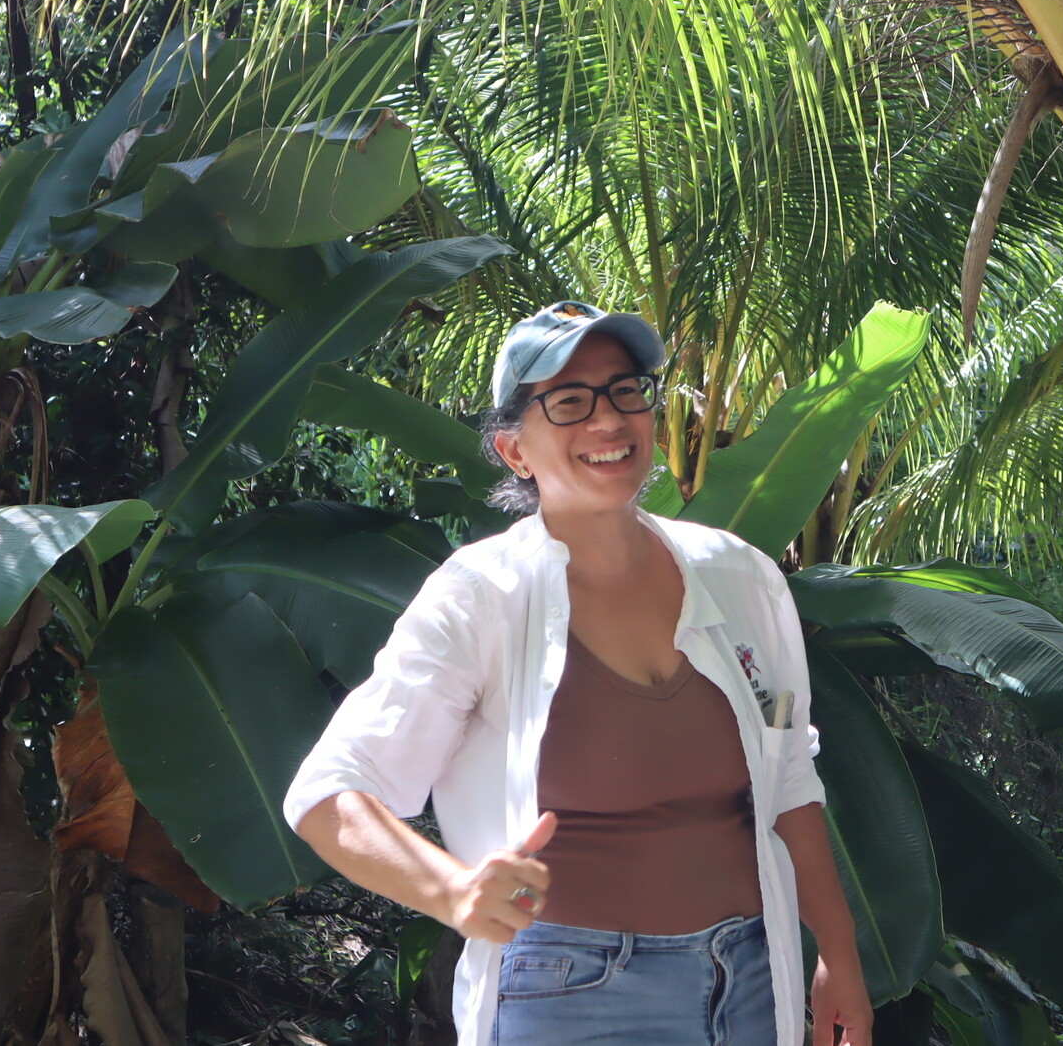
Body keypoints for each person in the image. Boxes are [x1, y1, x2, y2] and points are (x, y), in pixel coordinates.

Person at [284, 301, 872, 1046]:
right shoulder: (482, 597)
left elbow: (789, 778)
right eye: (569, 402)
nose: (608, 420)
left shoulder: (741, 580)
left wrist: (839, 956)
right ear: (514, 450)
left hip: (751, 979)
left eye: (627, 390)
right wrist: (454, 891)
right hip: (573, 997)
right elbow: (328, 791)